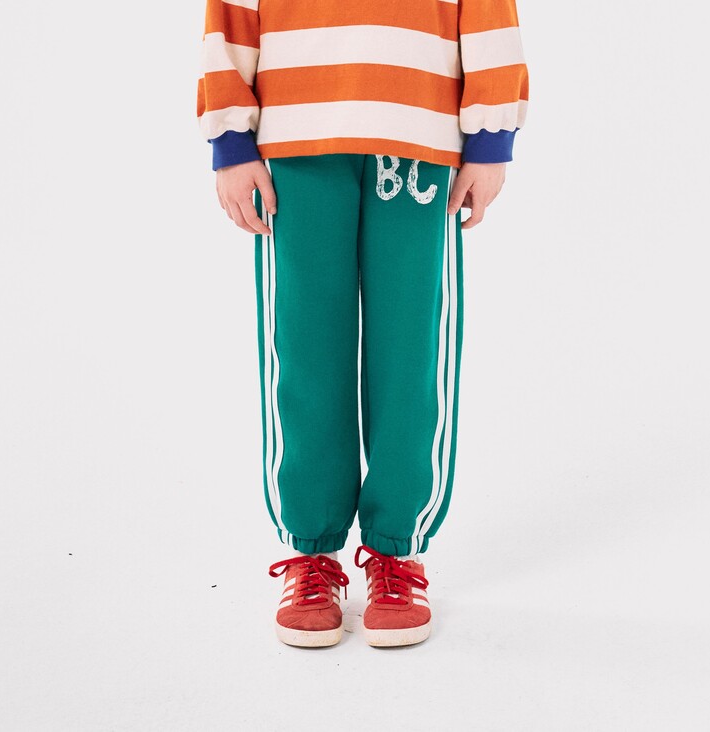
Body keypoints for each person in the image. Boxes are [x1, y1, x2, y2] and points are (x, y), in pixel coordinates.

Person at [196, 0, 528, 648]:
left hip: (420, 134)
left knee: (410, 353)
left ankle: (396, 549)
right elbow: (229, 14)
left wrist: (491, 139)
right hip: (295, 138)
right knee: (305, 350)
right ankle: (312, 551)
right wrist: (231, 141)